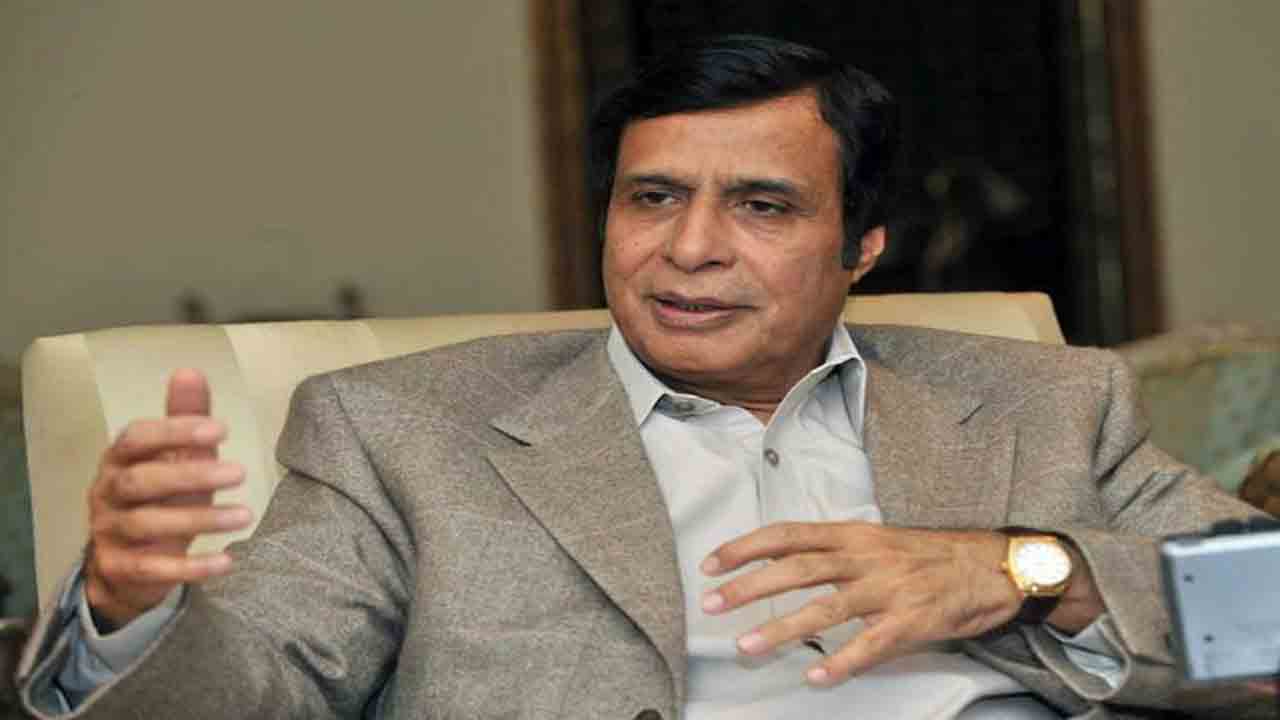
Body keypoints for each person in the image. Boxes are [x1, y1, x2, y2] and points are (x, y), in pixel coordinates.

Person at [15, 35, 1262, 719]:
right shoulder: (403, 430)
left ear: (862, 249)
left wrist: (1023, 571)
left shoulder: (1043, 401)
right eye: (652, 197)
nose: (689, 247)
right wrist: (133, 614)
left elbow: (1258, 614)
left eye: (761, 206)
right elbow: (254, 693)